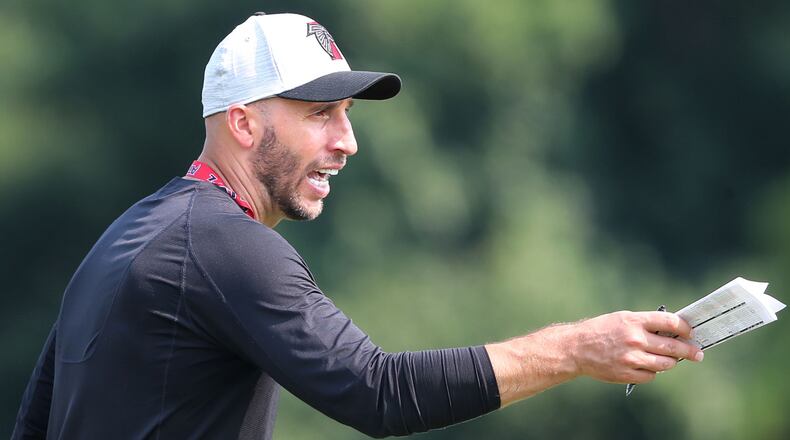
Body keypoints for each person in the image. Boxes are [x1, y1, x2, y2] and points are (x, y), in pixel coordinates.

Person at [12, 12, 704, 440]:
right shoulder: (228, 246)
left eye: (346, 115)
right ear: (243, 124)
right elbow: (380, 393)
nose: (347, 141)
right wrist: (576, 348)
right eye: (320, 114)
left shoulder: (125, 238)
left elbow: (33, 425)